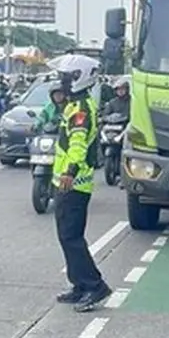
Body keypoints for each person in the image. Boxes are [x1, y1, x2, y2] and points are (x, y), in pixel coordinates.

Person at [49, 54, 112, 312]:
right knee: (66, 237)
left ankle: (94, 285)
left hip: (74, 185)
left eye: (64, 78)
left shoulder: (81, 110)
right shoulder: (76, 105)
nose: (60, 82)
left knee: (71, 237)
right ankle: (79, 285)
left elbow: (77, 144)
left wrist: (69, 172)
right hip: (66, 183)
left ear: (77, 78)